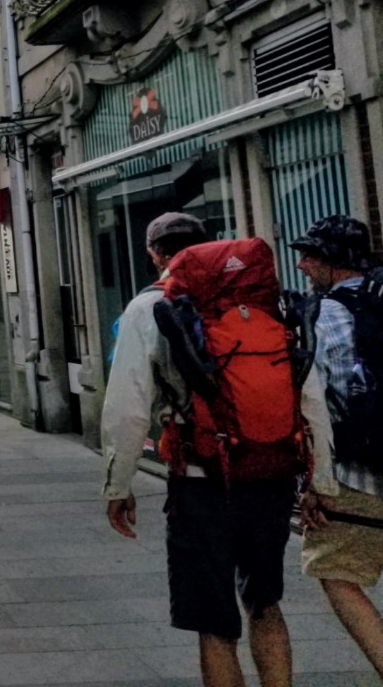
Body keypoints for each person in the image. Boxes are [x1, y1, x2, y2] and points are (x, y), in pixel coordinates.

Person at [101, 212, 308, 687]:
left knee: (213, 623)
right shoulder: (262, 301)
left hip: (200, 483)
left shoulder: (146, 308)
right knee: (265, 603)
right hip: (269, 475)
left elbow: (127, 409)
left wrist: (118, 484)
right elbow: (304, 390)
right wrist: (319, 480)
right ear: (211, 244)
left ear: (155, 255)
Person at [293, 216, 383, 675]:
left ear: (333, 262)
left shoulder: (324, 315)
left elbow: (319, 406)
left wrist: (317, 483)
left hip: (361, 477)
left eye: (310, 256)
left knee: (337, 573)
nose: (303, 265)